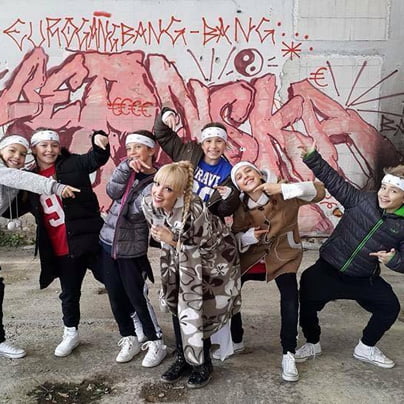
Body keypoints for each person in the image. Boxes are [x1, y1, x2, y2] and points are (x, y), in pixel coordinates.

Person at [295, 142, 403, 369]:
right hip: (328, 269)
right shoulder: (362, 200)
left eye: (393, 191)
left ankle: (366, 347)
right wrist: (312, 157)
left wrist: (394, 261)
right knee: (306, 293)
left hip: (363, 277)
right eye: (384, 187)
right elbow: (334, 181)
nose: (384, 194)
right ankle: (313, 342)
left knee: (390, 307)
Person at [219, 161, 324, 382]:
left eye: (248, 170)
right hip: (253, 257)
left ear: (259, 173)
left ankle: (288, 353)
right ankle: (236, 340)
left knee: (290, 298)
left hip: (283, 256)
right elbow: (235, 235)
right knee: (230, 289)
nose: (245, 176)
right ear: (238, 186)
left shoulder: (284, 191)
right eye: (239, 177)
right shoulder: (240, 206)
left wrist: (284, 188)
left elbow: (319, 192)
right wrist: (249, 237)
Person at [142, 161, 241, 389]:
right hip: (178, 260)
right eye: (157, 184)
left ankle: (202, 364)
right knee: (177, 304)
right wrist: (168, 240)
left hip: (212, 262)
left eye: (168, 189)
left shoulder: (194, 211)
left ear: (179, 192)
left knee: (196, 310)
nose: (158, 192)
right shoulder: (150, 203)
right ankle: (183, 358)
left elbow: (199, 249)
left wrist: (170, 239)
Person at [26, 128, 110, 357]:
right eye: (44, 146)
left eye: (54, 145)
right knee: (69, 293)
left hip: (89, 239)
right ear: (34, 149)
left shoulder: (73, 163)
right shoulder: (30, 178)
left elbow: (96, 158)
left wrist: (98, 139)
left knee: (114, 282)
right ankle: (70, 332)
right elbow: (14, 205)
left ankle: (136, 323)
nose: (50, 150)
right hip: (61, 245)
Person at [0, 134, 78, 359]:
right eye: (12, 151)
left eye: (22, 153)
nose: (17, 157)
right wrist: (55, 186)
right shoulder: (5, 172)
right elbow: (19, 179)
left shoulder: (16, 174)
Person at [99, 131, 166, 367]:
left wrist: (134, 192)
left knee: (137, 296)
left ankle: (156, 341)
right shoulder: (126, 170)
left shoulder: (159, 179)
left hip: (131, 247)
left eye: (138, 147)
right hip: (108, 241)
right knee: (115, 295)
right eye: (129, 148)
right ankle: (129, 337)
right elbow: (112, 192)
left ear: (151, 150)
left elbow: (137, 210)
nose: (133, 152)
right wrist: (125, 169)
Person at [153, 108, 240, 218]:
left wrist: (229, 197)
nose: (213, 146)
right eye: (208, 141)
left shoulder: (229, 173)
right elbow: (163, 136)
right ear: (202, 144)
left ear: (225, 145)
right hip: (173, 215)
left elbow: (222, 212)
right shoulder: (188, 153)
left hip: (201, 223)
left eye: (219, 141)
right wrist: (165, 115)